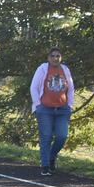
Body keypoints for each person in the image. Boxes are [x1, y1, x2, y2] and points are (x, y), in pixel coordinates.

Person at [30, 47, 74, 176]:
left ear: (61, 58)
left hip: (62, 109)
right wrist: (38, 104)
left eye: (58, 56)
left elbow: (71, 89)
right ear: (49, 58)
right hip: (45, 109)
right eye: (53, 56)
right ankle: (45, 165)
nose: (55, 58)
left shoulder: (65, 69)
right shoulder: (42, 69)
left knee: (62, 136)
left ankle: (51, 156)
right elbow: (33, 87)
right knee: (46, 136)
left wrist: (70, 105)